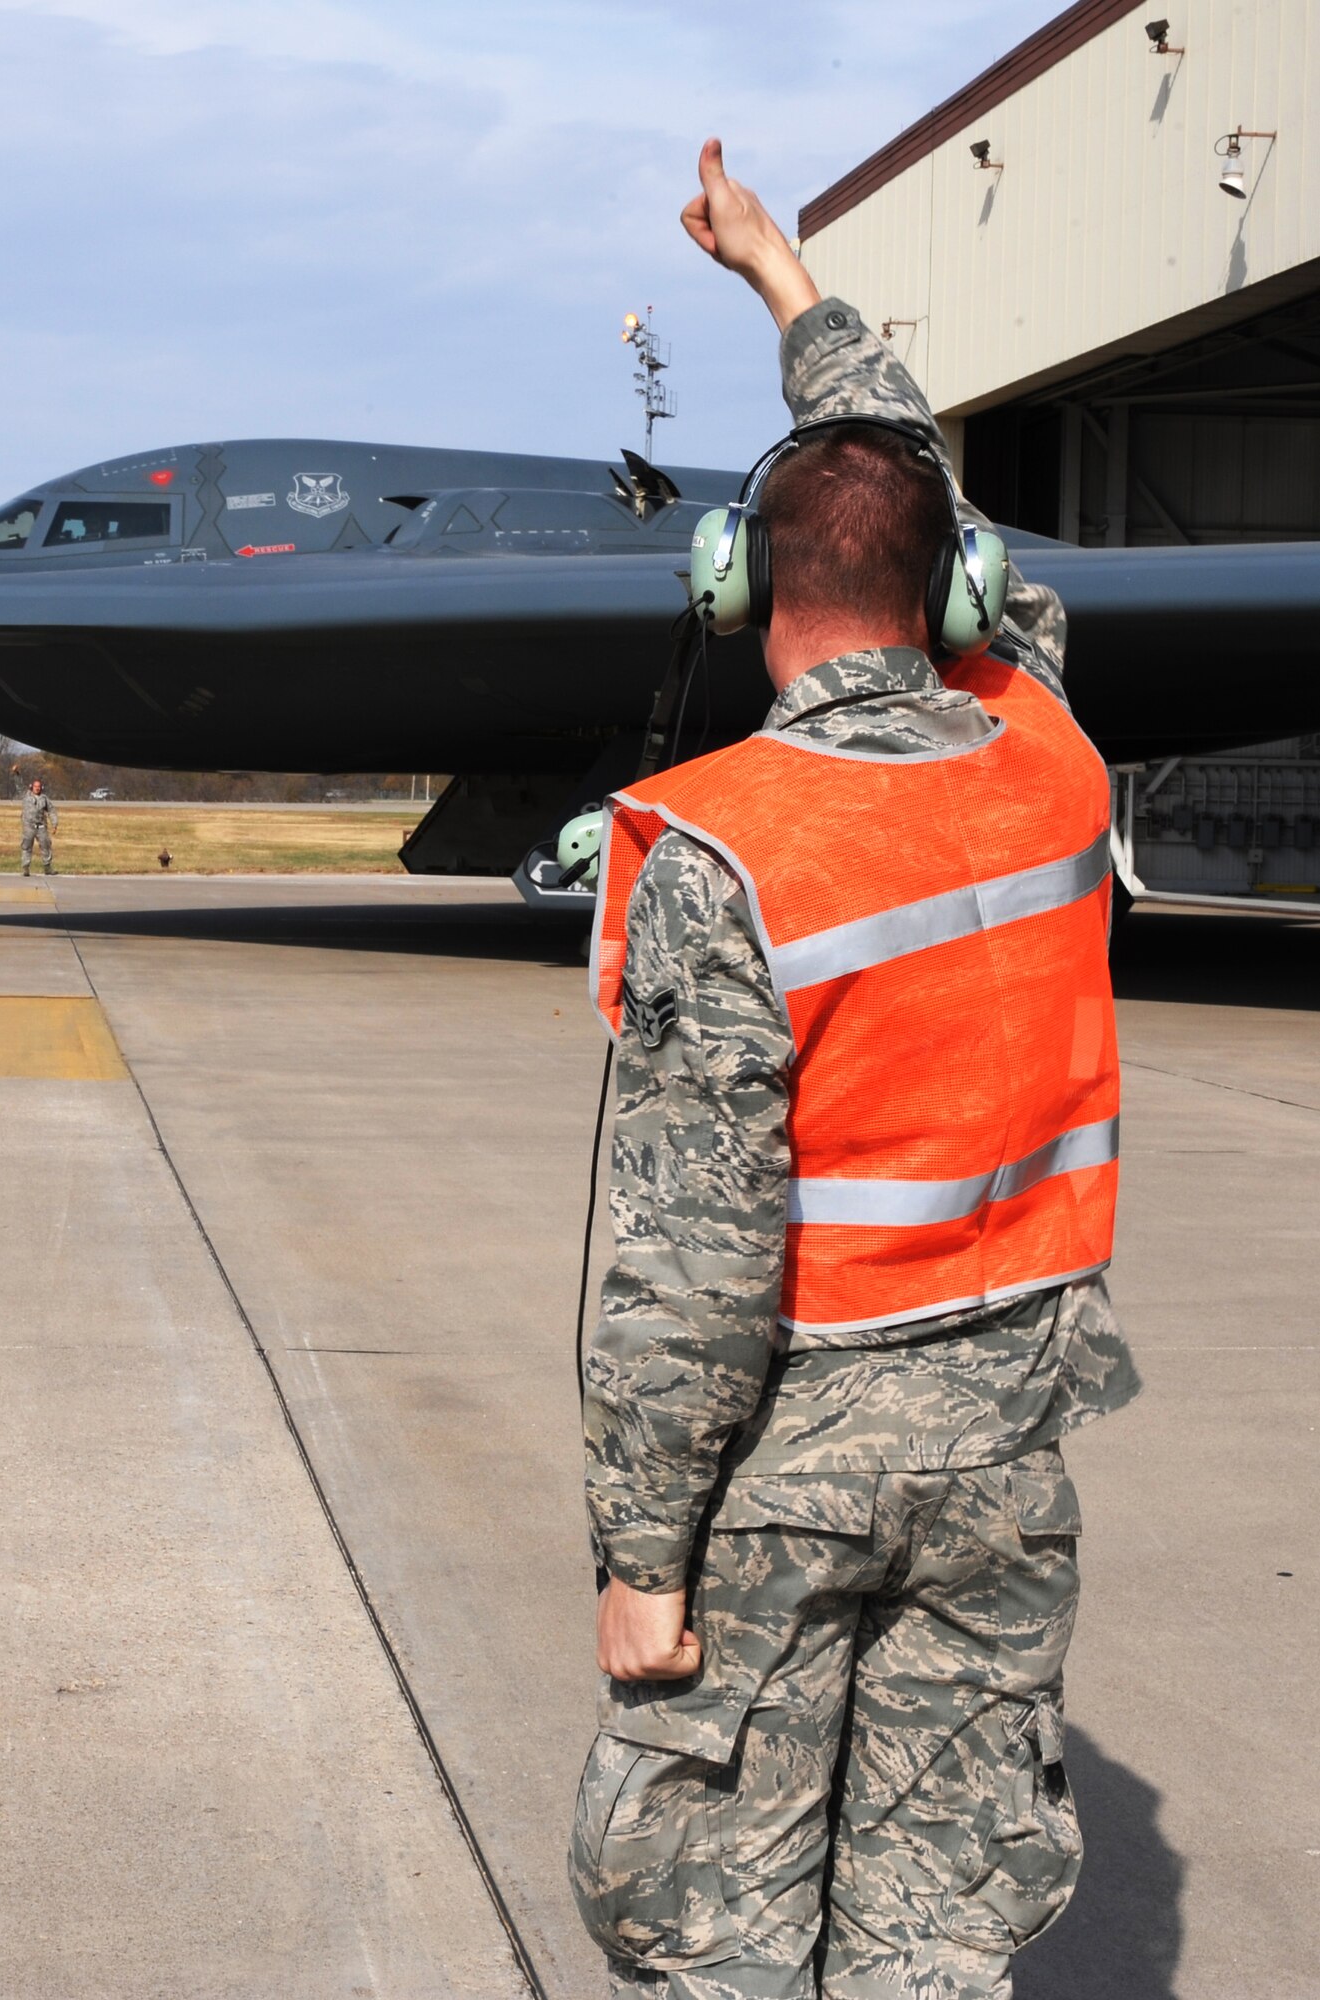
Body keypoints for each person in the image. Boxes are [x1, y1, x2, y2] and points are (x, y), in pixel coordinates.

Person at [569, 139, 1140, 2000]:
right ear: (954, 598)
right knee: (933, 1935)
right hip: (1003, 1453)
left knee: (720, 1931)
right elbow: (925, 482)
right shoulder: (1042, 743)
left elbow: (689, 1260)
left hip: (791, 1474)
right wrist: (788, 282)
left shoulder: (719, 845)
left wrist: (644, 1548)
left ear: (737, 592)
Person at [20, 777, 57, 875]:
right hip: (29, 826)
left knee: (46, 846)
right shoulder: (26, 795)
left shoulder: (44, 798)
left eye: (39, 786)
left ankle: (47, 868)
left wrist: (54, 824)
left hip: (41, 827)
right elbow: (19, 784)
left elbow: (51, 811)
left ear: (41, 788)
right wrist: (16, 774)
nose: (37, 788)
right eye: (35, 786)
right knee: (26, 847)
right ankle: (25, 868)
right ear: (32, 787)